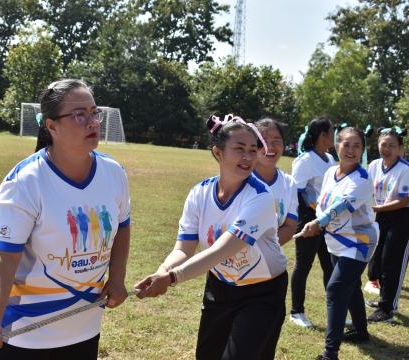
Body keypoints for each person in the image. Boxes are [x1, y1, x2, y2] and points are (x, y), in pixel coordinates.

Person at [0, 79, 131, 359]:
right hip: (25, 336)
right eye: (79, 115)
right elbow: (3, 256)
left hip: (85, 327)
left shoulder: (114, 172)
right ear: (51, 125)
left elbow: (123, 227)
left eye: (94, 112)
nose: (92, 122)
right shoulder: (25, 182)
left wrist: (117, 277)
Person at [135, 114, 288, 360]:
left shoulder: (260, 197)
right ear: (218, 153)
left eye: (252, 150)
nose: (247, 157)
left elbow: (221, 250)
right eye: (239, 149)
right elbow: (184, 248)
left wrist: (172, 277)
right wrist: (162, 271)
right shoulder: (199, 193)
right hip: (220, 286)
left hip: (263, 293)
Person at [298, 127, 379, 360]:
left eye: (357, 146)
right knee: (351, 286)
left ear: (363, 150)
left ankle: (330, 353)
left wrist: (318, 223)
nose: (351, 150)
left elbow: (339, 207)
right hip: (335, 241)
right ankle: (361, 331)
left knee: (336, 288)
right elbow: (323, 202)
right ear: (337, 145)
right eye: (346, 144)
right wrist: (315, 219)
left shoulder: (363, 179)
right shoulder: (330, 172)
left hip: (359, 242)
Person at [290, 116, 336, 328]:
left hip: (329, 221)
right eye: (332, 131)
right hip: (309, 220)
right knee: (304, 266)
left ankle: (335, 310)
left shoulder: (330, 159)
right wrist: (315, 212)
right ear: (323, 135)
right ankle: (296, 312)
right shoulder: (305, 160)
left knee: (330, 267)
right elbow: (298, 192)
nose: (334, 135)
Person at [365, 127, 409, 323]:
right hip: (381, 215)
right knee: (378, 261)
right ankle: (385, 299)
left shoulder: (405, 170)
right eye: (384, 144)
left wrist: (375, 208)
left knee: (392, 262)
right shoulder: (374, 165)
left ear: (400, 148)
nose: (387, 149)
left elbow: (403, 201)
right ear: (378, 146)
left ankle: (387, 309)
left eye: (392, 145)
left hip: (402, 218)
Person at [253, 118, 298, 246]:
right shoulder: (240, 179)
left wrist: (263, 251)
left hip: (271, 260)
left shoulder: (289, 183)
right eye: (263, 142)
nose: (270, 147)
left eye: (276, 141)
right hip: (237, 260)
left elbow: (289, 227)